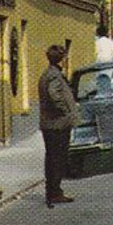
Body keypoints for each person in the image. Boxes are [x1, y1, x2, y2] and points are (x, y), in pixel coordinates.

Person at [38, 44, 79, 208]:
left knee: (51, 158)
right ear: (61, 59)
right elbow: (54, 95)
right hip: (57, 124)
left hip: (49, 124)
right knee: (57, 158)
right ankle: (54, 192)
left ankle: (53, 191)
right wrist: (65, 111)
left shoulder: (47, 74)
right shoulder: (54, 76)